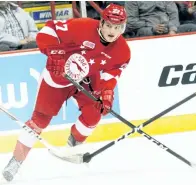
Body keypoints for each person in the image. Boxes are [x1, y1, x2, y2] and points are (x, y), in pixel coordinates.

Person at [2, 3, 130, 182]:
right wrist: (54, 52)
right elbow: (48, 31)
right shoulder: (82, 26)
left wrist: (107, 92)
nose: (112, 31)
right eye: (109, 25)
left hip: (86, 80)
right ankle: (16, 161)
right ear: (101, 22)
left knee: (95, 112)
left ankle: (74, 144)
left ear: (123, 27)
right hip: (57, 77)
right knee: (39, 121)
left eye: (117, 27)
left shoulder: (122, 51)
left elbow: (111, 75)